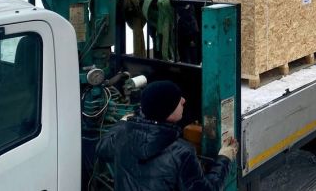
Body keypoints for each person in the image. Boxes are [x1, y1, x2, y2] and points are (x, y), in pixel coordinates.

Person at [96, 80, 238, 191]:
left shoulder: (121, 136)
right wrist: (224, 158)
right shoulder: (182, 152)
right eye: (177, 100)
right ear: (167, 112)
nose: (183, 100)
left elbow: (101, 149)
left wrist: (123, 122)